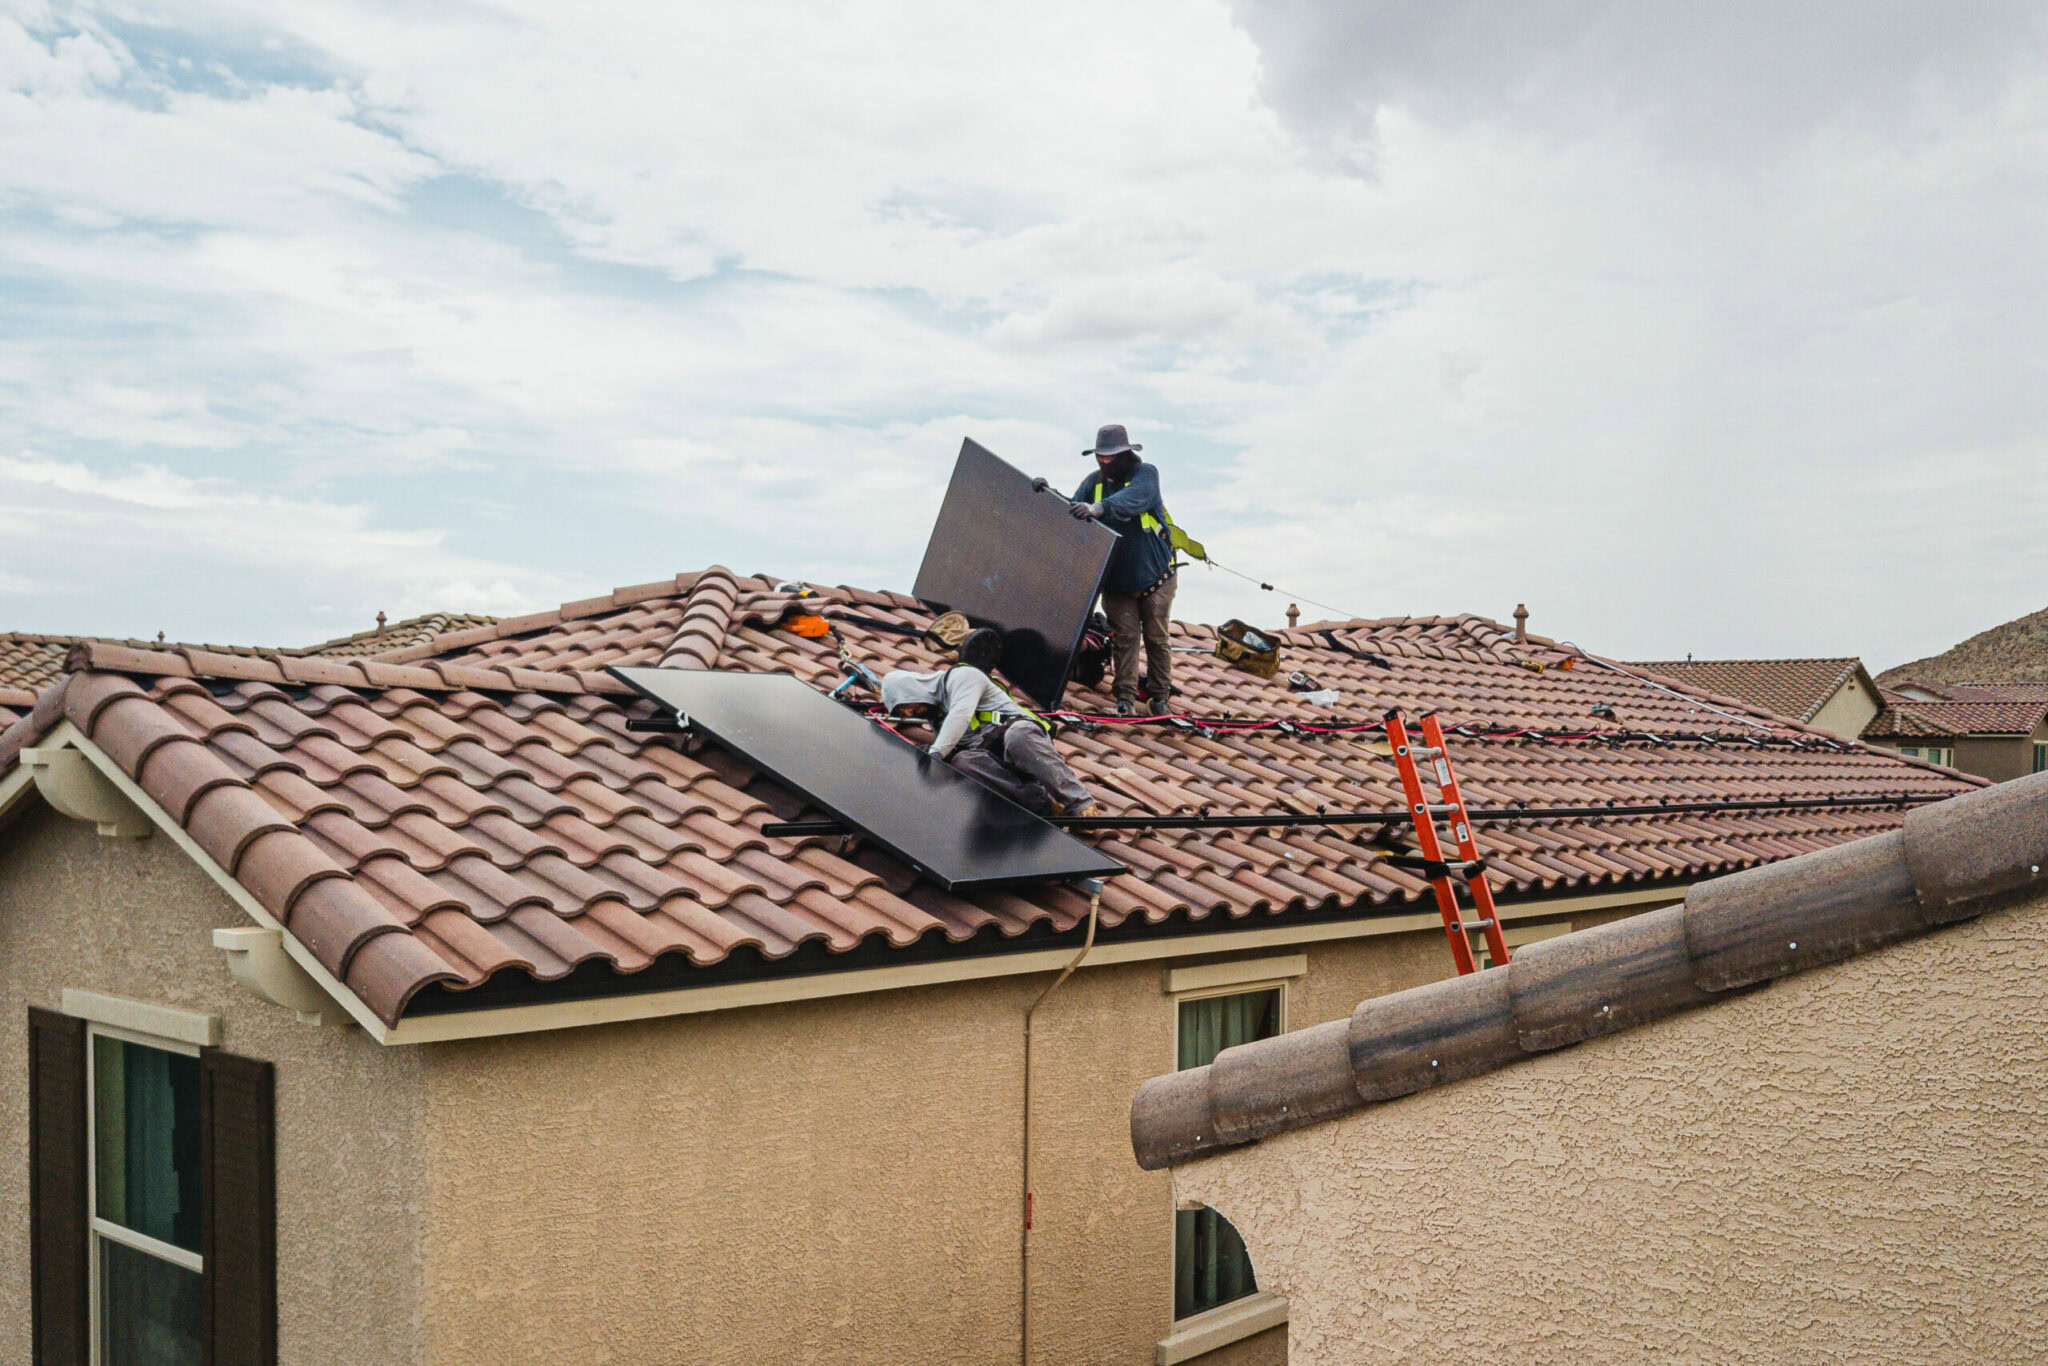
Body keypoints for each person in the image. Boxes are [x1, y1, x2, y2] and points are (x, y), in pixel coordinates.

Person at [879, 630, 1102, 819]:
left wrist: (936, 753)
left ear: (911, 690)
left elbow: (962, 714)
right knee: (962, 761)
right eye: (902, 714)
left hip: (1022, 740)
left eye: (904, 706)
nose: (908, 714)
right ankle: (1044, 805)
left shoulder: (963, 675)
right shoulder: (937, 719)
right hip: (998, 761)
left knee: (1018, 736)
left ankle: (1080, 802)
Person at [1070, 423, 1176, 716]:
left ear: (1126, 454)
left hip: (1156, 580)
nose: (1105, 463)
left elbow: (1133, 501)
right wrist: (1049, 497)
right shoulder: (1094, 482)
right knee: (1125, 639)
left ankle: (1159, 698)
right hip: (1117, 584)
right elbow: (1073, 508)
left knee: (1156, 637)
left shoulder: (1146, 475)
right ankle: (1125, 700)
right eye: (1101, 458)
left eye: (1111, 457)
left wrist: (1097, 509)